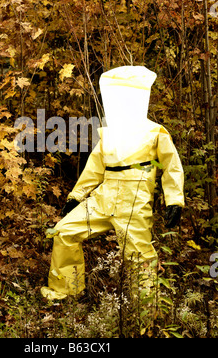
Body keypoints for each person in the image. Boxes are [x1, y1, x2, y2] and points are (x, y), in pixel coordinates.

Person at [41, 66, 185, 300]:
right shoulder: (110, 133)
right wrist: (76, 197)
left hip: (134, 204)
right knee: (64, 232)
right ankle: (65, 293)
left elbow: (171, 166)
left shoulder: (155, 132)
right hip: (103, 199)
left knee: (139, 258)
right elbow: (95, 168)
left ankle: (144, 313)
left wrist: (174, 201)